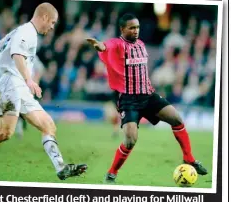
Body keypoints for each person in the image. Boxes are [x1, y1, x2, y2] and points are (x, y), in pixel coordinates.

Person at [86, 13, 207, 183]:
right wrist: (100, 46)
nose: (136, 31)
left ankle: (189, 159)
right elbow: (108, 46)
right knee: (130, 140)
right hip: (129, 100)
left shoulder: (141, 44)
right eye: (132, 28)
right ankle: (112, 172)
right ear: (122, 29)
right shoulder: (118, 44)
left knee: (176, 119)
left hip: (148, 95)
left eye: (137, 28)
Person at [0, 3, 87, 180]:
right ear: (44, 17)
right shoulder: (27, 32)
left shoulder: (22, 31)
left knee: (48, 125)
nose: (52, 27)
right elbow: (17, 54)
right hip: (13, 84)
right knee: (5, 132)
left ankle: (61, 168)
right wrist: (20, 78)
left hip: (18, 85)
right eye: (52, 22)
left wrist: (5, 70)